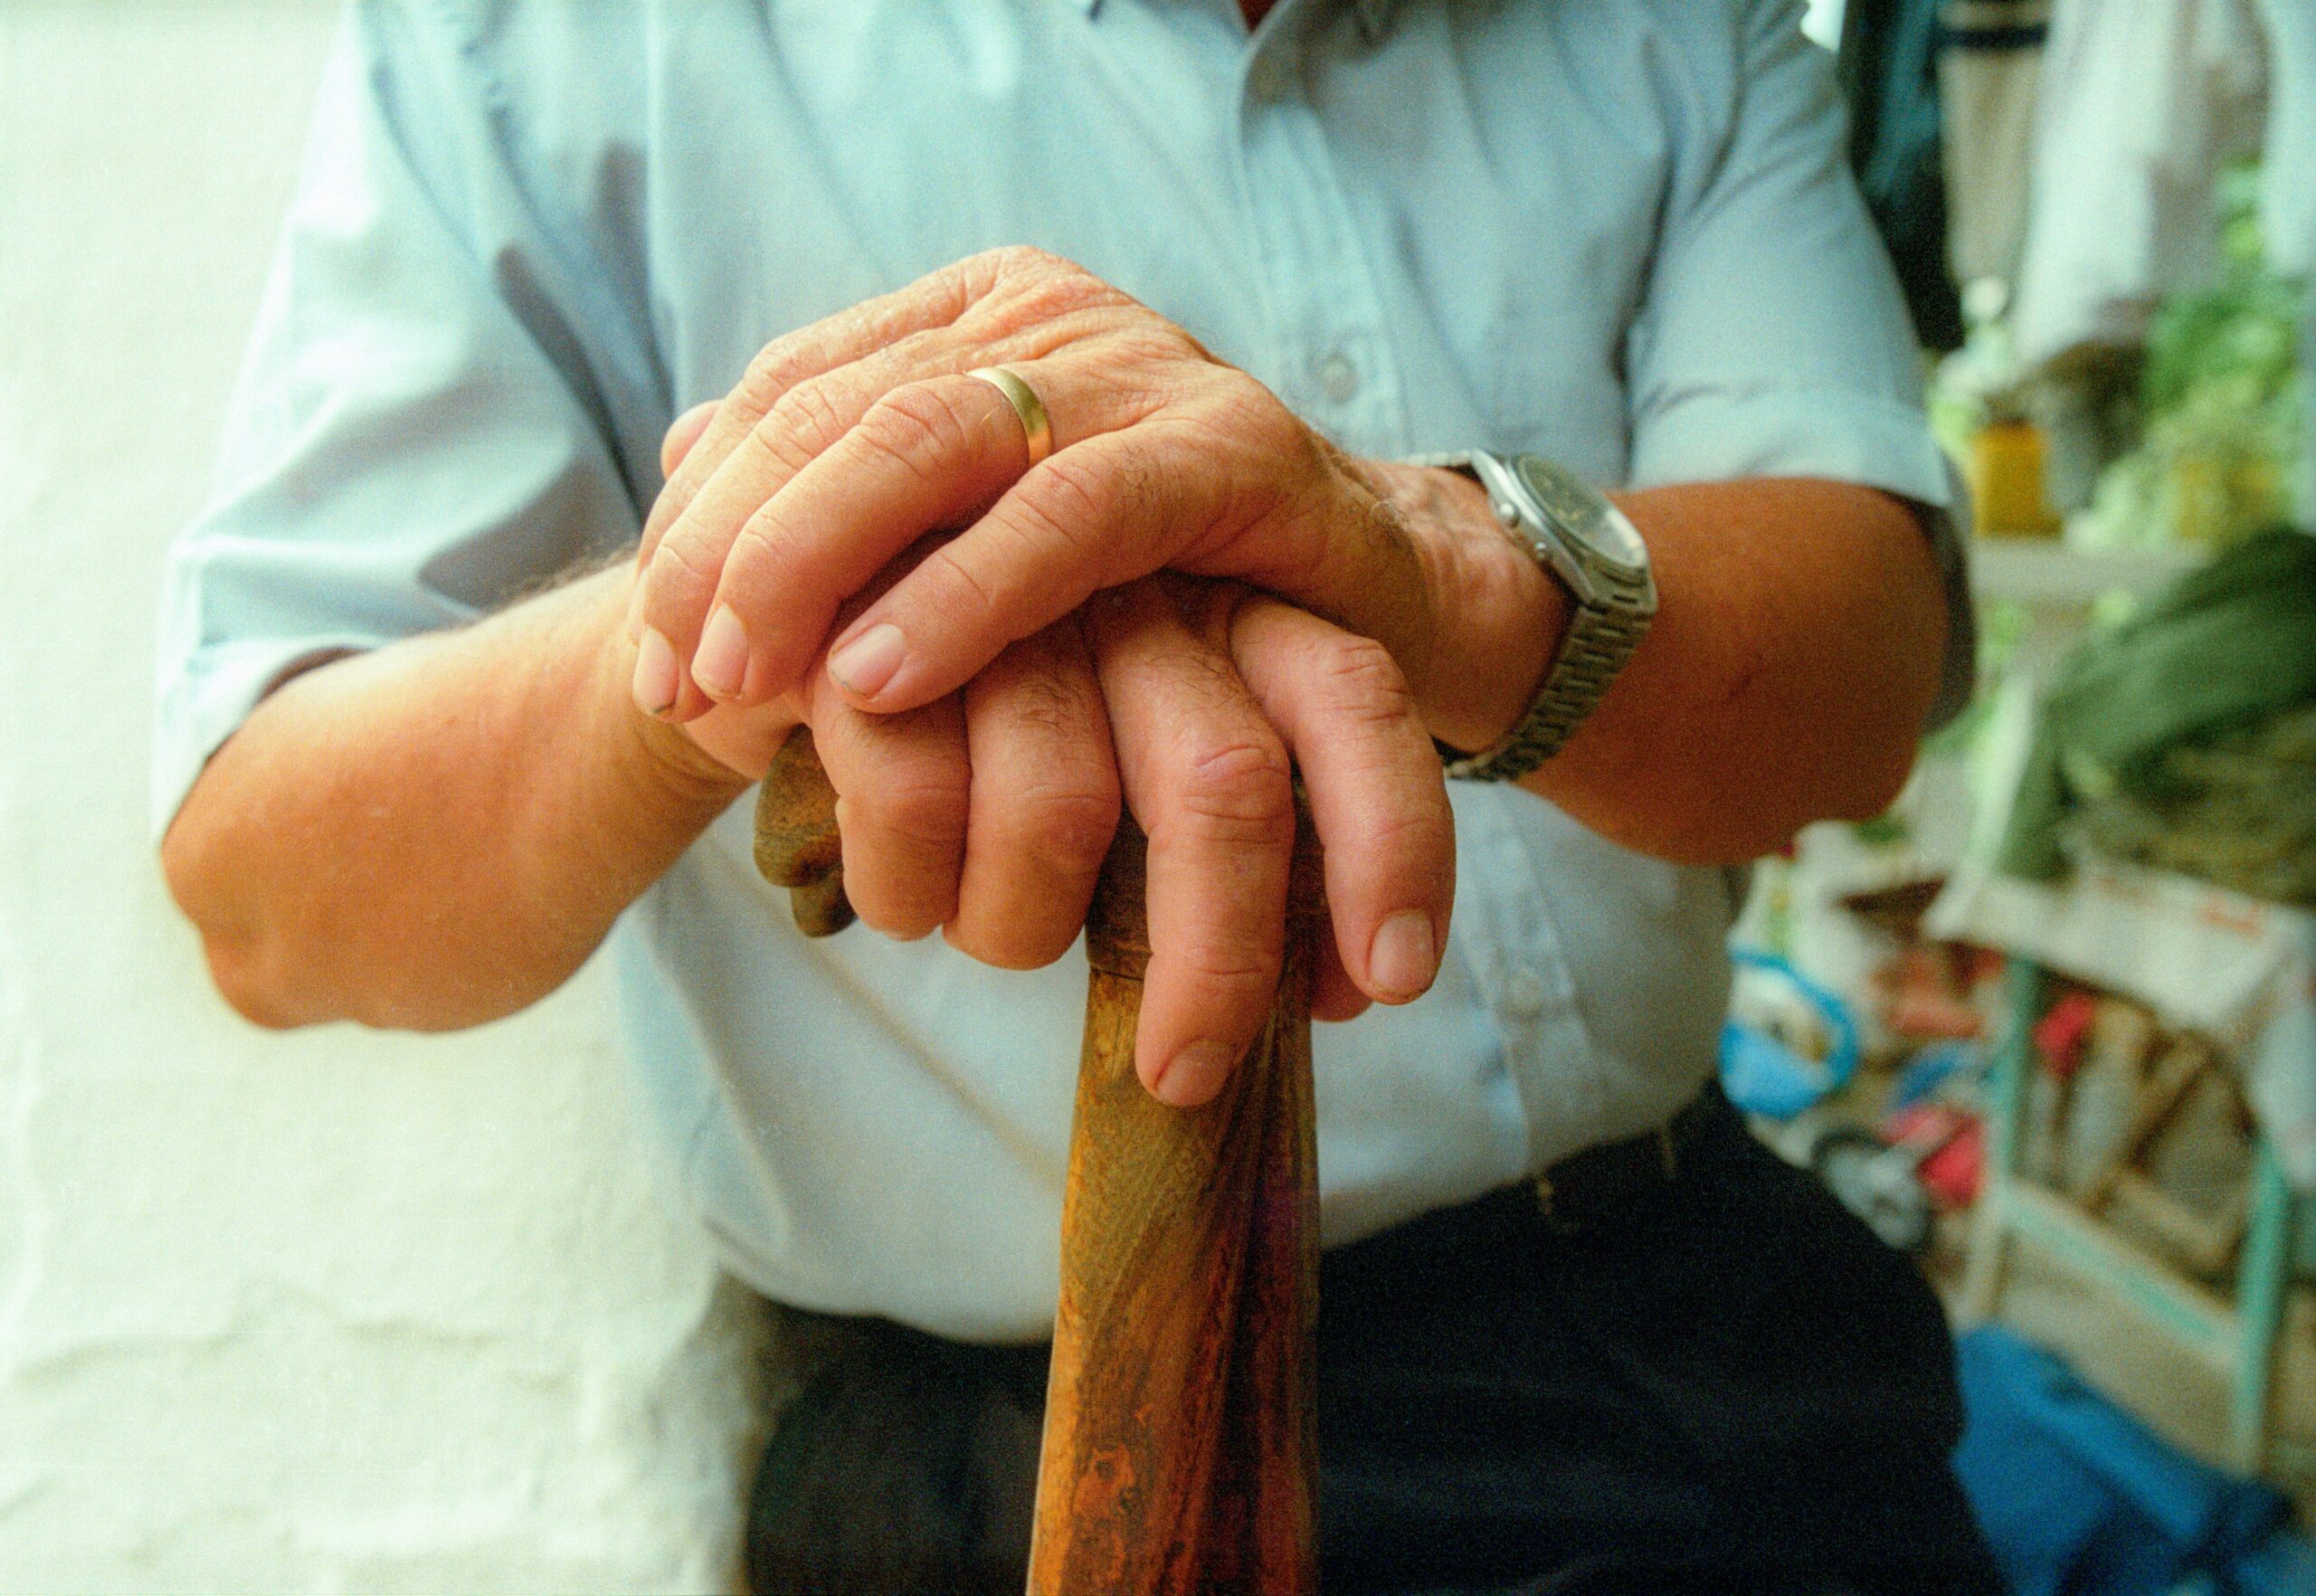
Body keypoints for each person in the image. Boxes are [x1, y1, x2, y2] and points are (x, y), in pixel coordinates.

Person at [156, 1, 2003, 1590]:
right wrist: (784, 580)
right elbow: (268, 893)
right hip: (969, 1459)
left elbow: (1859, 674)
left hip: (1680, 1352)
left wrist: (1423, 563)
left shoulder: (1662, 28)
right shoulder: (548, 44)